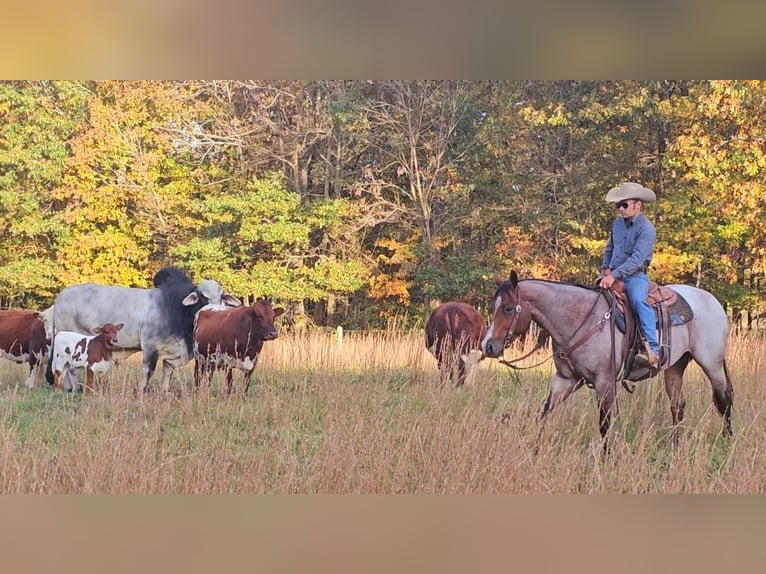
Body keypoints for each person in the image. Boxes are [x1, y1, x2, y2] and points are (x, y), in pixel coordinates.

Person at [598, 182, 659, 368]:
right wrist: (605, 269)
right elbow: (609, 249)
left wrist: (613, 275)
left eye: (624, 205)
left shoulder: (646, 229)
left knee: (638, 301)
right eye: (619, 205)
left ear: (638, 205)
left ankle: (653, 350)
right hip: (612, 274)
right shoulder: (617, 224)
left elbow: (636, 260)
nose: (621, 209)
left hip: (634, 275)